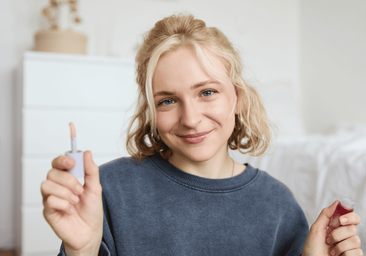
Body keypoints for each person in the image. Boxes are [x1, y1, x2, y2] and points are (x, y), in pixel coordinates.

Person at [41, 14, 362, 256]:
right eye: (167, 100)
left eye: (207, 92)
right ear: (151, 112)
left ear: (238, 98)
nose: (191, 119)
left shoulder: (279, 205)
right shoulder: (109, 190)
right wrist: (81, 250)